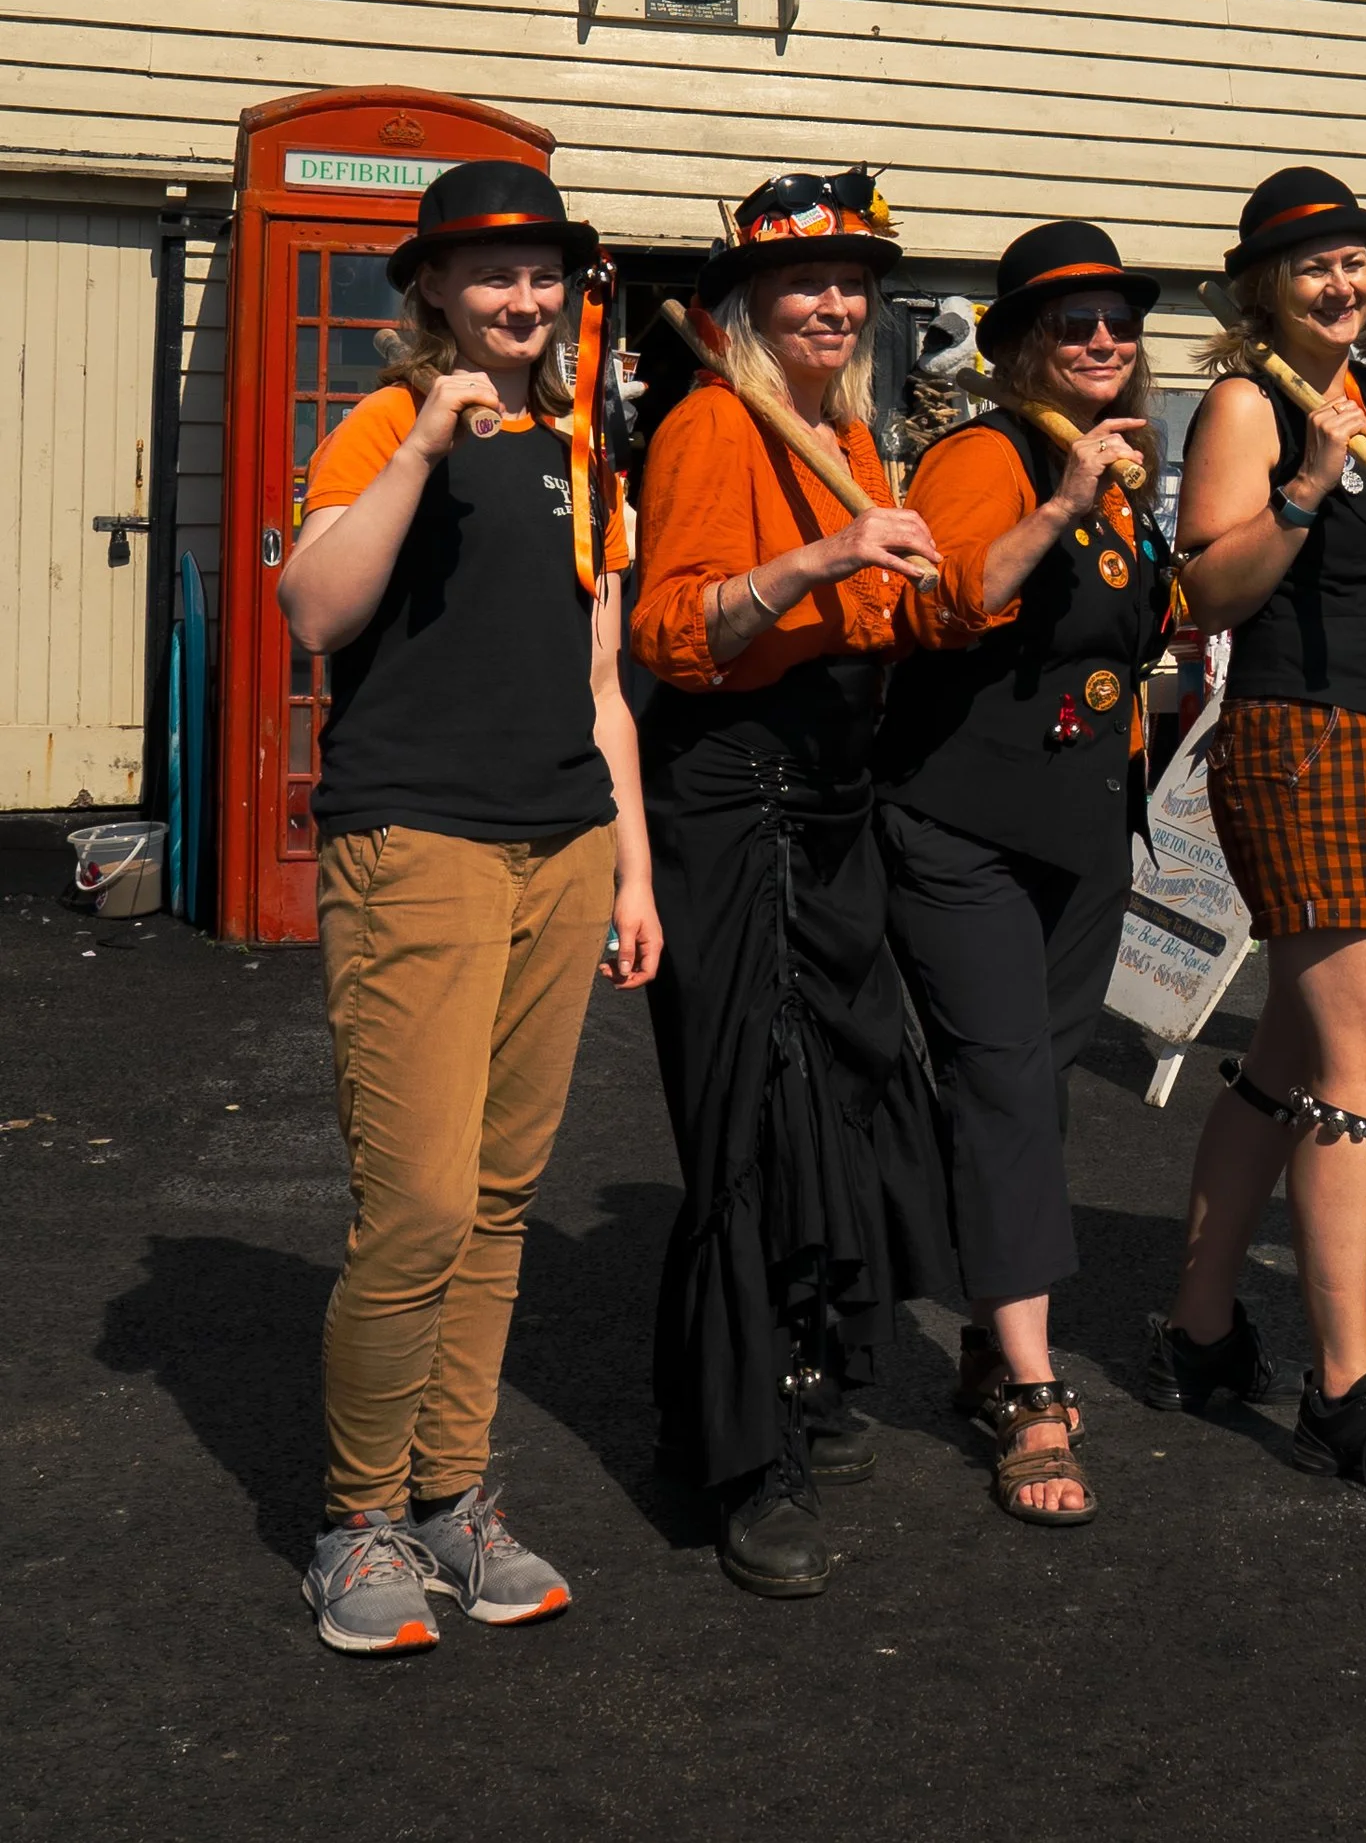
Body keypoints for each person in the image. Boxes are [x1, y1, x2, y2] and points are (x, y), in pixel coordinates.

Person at [280, 158, 659, 1657]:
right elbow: (317, 609)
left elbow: (601, 681)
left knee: (500, 1201)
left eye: (544, 271)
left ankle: (451, 1496)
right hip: (417, 843)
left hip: (562, 847)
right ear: (432, 286)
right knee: (420, 1204)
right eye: (493, 270)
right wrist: (427, 443)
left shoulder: (584, 450)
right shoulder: (386, 421)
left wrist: (632, 868)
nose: (524, 295)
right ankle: (358, 1517)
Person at [631, 170, 953, 1600]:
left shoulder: (850, 429)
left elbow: (888, 607)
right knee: (752, 1116)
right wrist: (823, 554)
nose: (834, 301)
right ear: (748, 304)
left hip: (833, 795)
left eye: (852, 281)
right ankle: (738, 1457)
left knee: (834, 1093)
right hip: (734, 794)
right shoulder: (712, 421)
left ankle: (798, 1371)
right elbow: (671, 629)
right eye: (805, 282)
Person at [1150, 165, 1366, 1505]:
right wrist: (1308, 483)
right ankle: (1346, 1388)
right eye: (1311, 265)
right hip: (1301, 737)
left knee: (1290, 1052)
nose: (1341, 282)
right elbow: (1203, 587)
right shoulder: (1253, 401)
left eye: (1354, 259)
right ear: (1261, 289)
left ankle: (1201, 1332)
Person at [875, 219, 1171, 1528]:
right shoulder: (986, 453)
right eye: (1071, 320)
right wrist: (1059, 503)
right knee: (1001, 1081)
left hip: (1083, 823)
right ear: (1019, 345)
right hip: (965, 821)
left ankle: (994, 1338)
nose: (1101, 337)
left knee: (1035, 1091)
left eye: (1117, 319)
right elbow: (942, 598)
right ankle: (1034, 1392)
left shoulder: (1118, 467)